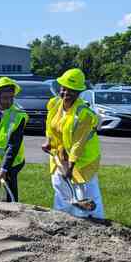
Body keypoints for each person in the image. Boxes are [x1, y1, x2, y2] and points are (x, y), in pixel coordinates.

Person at [42, 68, 104, 219]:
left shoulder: (84, 114)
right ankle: (62, 217)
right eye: (64, 89)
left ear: (79, 93)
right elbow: (51, 125)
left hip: (83, 158)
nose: (66, 94)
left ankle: (94, 222)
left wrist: (71, 166)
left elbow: (78, 143)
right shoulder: (55, 104)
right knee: (60, 185)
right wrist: (48, 141)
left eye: (72, 91)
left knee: (85, 191)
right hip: (60, 153)